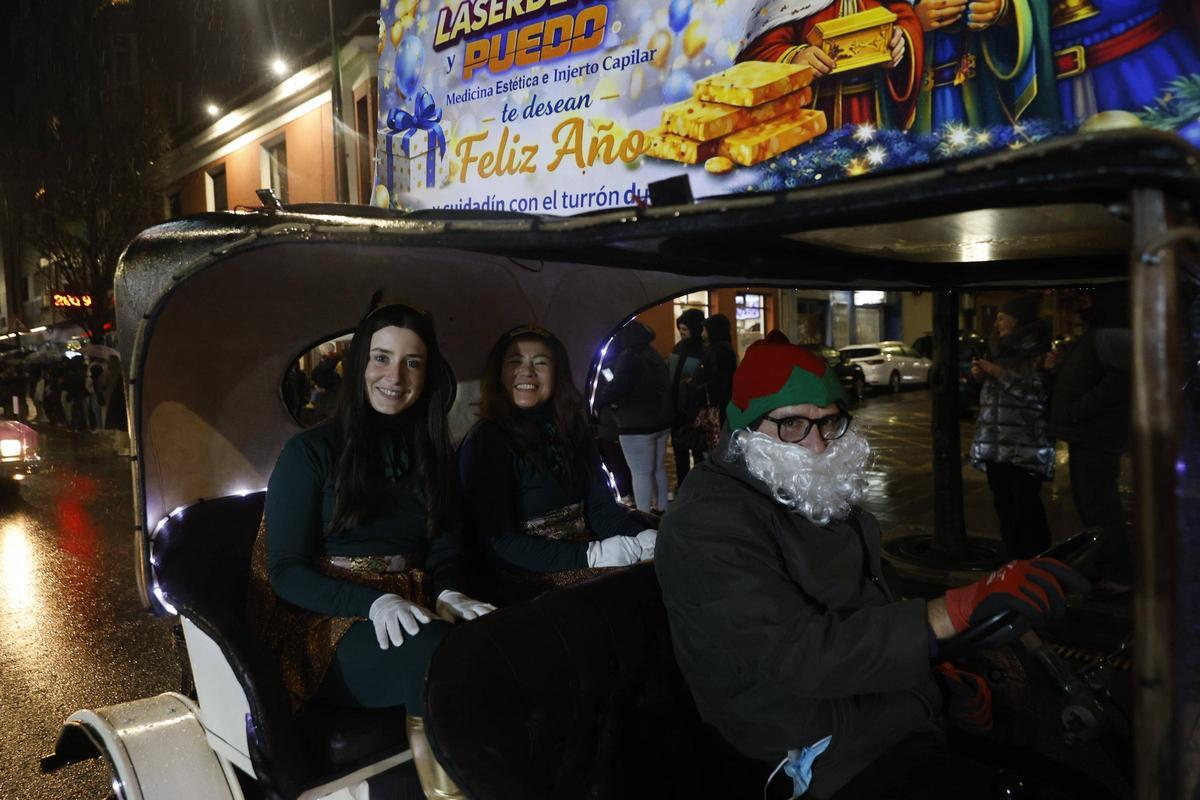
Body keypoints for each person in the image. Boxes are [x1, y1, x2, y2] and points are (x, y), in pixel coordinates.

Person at [656, 331, 1089, 799]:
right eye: (793, 425)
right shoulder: (707, 520)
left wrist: (936, 678)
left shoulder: (805, 492)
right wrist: (953, 611)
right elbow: (795, 656)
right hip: (811, 748)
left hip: (880, 717)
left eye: (829, 422)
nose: (818, 446)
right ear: (748, 429)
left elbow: (868, 606)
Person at [248, 303, 494, 800]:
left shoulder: (433, 453)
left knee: (490, 637)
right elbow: (287, 571)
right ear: (359, 363)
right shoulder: (310, 453)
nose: (395, 376)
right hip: (324, 621)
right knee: (436, 656)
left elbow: (445, 548)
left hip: (412, 600)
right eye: (382, 358)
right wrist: (372, 602)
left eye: (413, 363)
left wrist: (449, 592)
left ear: (427, 375)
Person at [458, 324, 656, 604]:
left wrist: (642, 538)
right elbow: (500, 542)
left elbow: (600, 507)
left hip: (583, 551)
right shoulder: (487, 440)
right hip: (524, 573)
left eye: (540, 363)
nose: (527, 371)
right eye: (515, 362)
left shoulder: (571, 427)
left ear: (557, 372)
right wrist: (590, 556)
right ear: (499, 374)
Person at [1044, 288, 1132, 591]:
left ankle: (1118, 576)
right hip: (1091, 434)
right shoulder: (1103, 331)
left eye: (1087, 297)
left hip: (1096, 435)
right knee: (1092, 506)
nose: (1081, 303)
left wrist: (1078, 410)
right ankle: (1104, 568)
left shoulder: (1112, 332)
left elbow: (1120, 381)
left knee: (1100, 506)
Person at [737, 0, 924, 130]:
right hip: (816, 112)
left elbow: (904, 19)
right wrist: (795, 58)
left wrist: (899, 41)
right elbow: (757, 54)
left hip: (875, 108)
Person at [968, 295, 1055, 559]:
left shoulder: (1039, 354)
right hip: (997, 448)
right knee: (1004, 508)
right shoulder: (997, 350)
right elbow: (992, 400)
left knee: (1026, 510)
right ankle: (1013, 562)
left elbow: (1039, 393)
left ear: (1019, 322)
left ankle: (1037, 563)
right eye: (996, 320)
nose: (997, 325)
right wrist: (979, 378)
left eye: (1003, 319)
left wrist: (998, 373)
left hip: (1025, 448)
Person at [595, 321, 673, 514]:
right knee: (658, 468)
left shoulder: (628, 357)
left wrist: (600, 401)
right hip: (661, 421)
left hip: (636, 424)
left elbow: (618, 385)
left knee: (640, 472)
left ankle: (644, 515)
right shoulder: (652, 353)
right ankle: (662, 507)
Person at [683, 314, 738, 453]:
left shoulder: (719, 351)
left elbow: (718, 380)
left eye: (705, 330)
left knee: (713, 447)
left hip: (714, 409)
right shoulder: (720, 348)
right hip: (718, 406)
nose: (702, 334)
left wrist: (697, 386)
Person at [669, 308, 706, 486]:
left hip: (692, 409)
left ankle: (692, 485)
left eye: (685, 329)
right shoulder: (688, 348)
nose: (682, 333)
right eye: (680, 329)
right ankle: (687, 485)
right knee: (683, 449)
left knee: (694, 449)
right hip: (680, 408)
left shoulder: (701, 350)